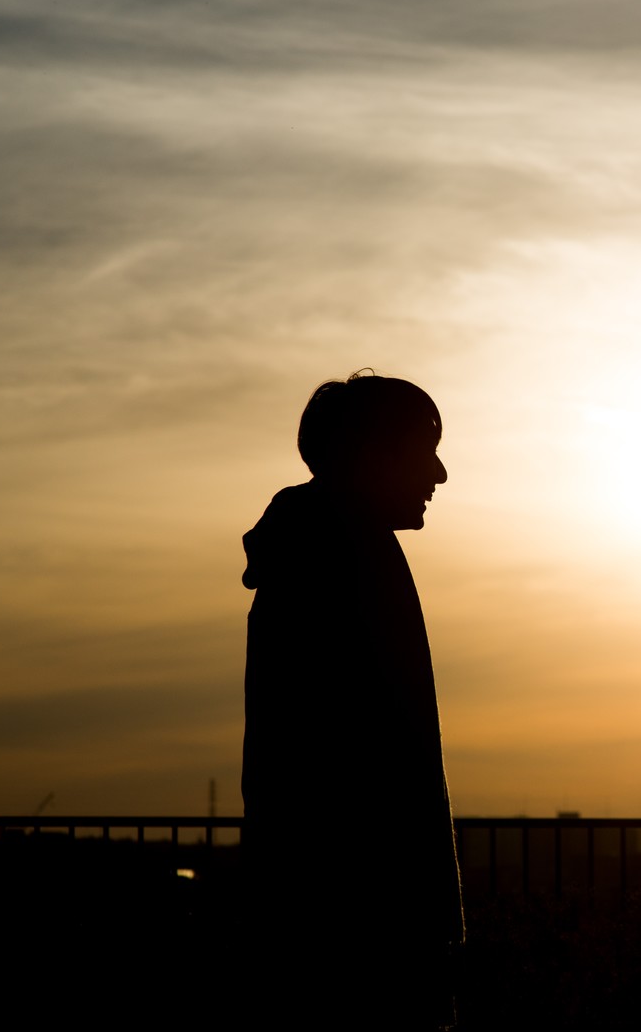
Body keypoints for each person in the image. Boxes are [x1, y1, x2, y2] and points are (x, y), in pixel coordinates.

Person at [241, 371, 462, 1029]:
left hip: (332, 908)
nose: (440, 474)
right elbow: (369, 758)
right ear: (372, 454)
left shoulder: (326, 548)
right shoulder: (342, 560)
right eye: (423, 449)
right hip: (358, 916)